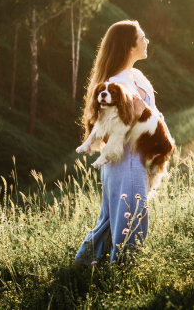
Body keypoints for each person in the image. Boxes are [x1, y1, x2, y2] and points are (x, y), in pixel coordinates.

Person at [74, 20, 162, 265]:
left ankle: (83, 265)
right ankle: (124, 271)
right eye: (142, 38)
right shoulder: (114, 85)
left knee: (114, 220)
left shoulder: (137, 76)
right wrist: (136, 116)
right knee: (130, 219)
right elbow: (105, 128)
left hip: (138, 158)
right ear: (129, 47)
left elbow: (150, 113)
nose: (147, 41)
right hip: (126, 160)